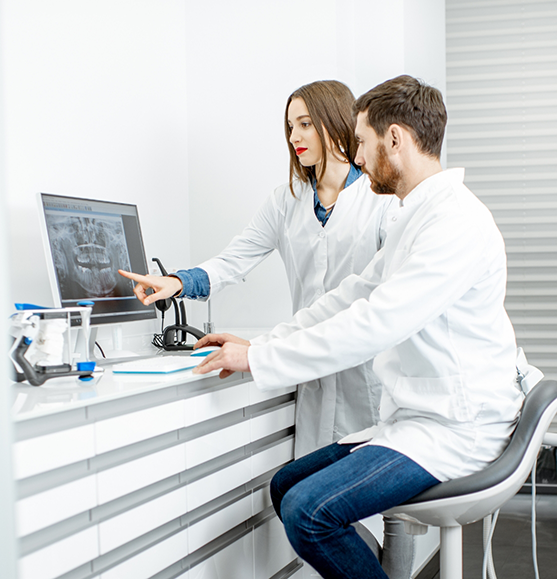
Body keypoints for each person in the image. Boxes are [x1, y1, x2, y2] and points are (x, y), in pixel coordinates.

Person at [189, 75, 524, 579]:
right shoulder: (418, 216)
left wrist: (259, 361)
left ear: (395, 139)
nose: (359, 156)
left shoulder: (454, 223)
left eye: (364, 142)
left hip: (458, 427)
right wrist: (263, 344)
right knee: (287, 488)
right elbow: (349, 297)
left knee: (309, 512)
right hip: (418, 418)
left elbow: (375, 323)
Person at [120, 80, 394, 459]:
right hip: (309, 372)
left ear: (333, 122)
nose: (294, 136)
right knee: (309, 492)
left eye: (304, 124)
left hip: (367, 374)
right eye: (289, 127)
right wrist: (177, 282)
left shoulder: (379, 199)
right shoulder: (287, 201)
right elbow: (234, 259)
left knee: (371, 508)